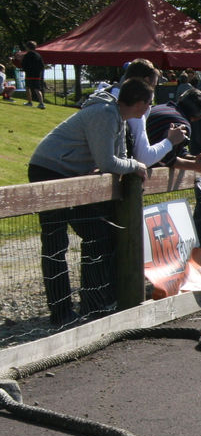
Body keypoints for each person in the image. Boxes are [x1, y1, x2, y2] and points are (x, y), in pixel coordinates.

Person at [28, 78, 161, 325]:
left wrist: (127, 165)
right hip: (49, 171)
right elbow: (109, 162)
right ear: (139, 104)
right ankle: (61, 312)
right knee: (56, 243)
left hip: (70, 175)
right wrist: (135, 165)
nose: (150, 108)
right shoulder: (105, 113)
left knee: (98, 234)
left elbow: (116, 159)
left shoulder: (118, 117)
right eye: (149, 103)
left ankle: (94, 303)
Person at [145, 88, 201, 173]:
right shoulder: (182, 125)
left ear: (180, 97)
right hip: (143, 170)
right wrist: (195, 166)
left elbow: (177, 150)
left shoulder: (159, 107)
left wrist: (193, 158)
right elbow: (165, 158)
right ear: (199, 117)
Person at [22, 40, 45, 108]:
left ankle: (30, 102)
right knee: (37, 89)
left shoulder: (27, 55)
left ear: (28, 47)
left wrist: (25, 69)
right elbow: (42, 65)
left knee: (28, 88)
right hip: (37, 75)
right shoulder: (38, 55)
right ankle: (41, 103)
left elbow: (24, 64)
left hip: (29, 74)